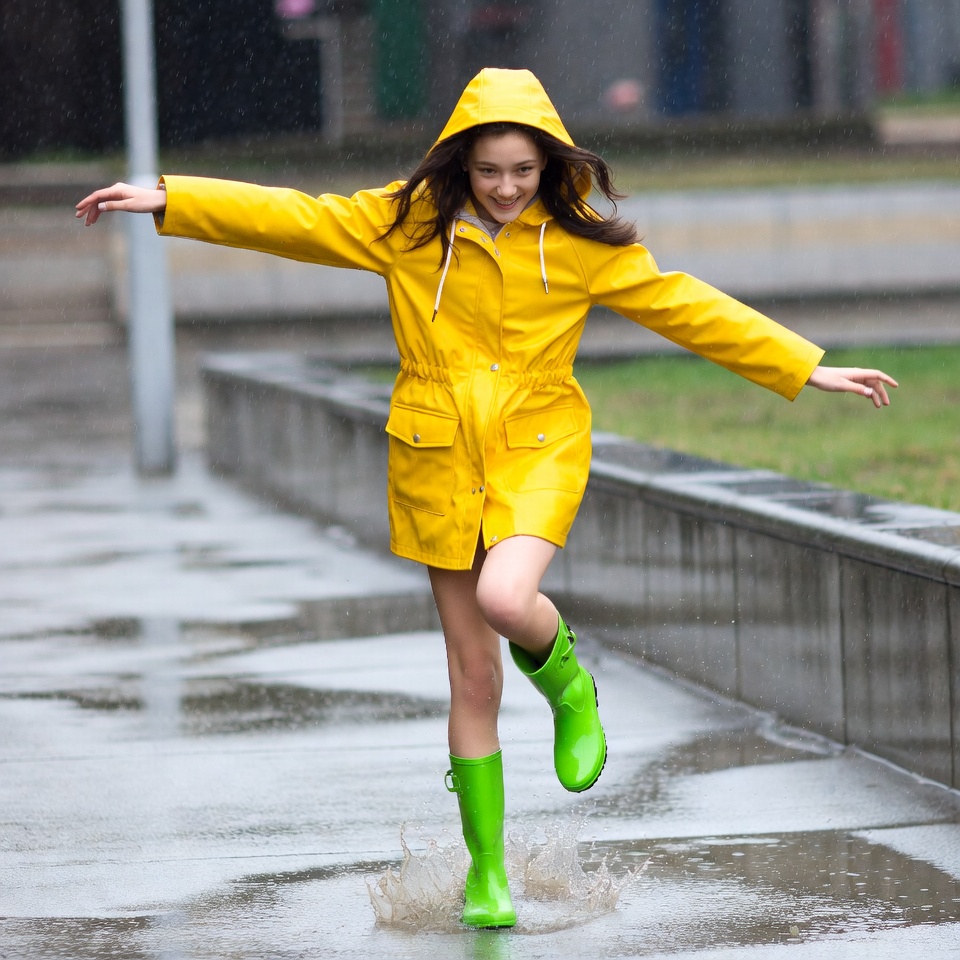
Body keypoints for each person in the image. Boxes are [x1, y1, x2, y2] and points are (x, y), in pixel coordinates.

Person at [77, 67, 897, 929]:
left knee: (510, 598)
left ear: (550, 169)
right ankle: (488, 873)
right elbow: (294, 218)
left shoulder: (581, 246)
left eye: (524, 172)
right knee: (471, 678)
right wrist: (168, 200)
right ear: (460, 166)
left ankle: (569, 685)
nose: (506, 188)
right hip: (435, 457)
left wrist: (806, 366)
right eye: (490, 171)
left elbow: (684, 306)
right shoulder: (404, 227)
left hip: (537, 446)